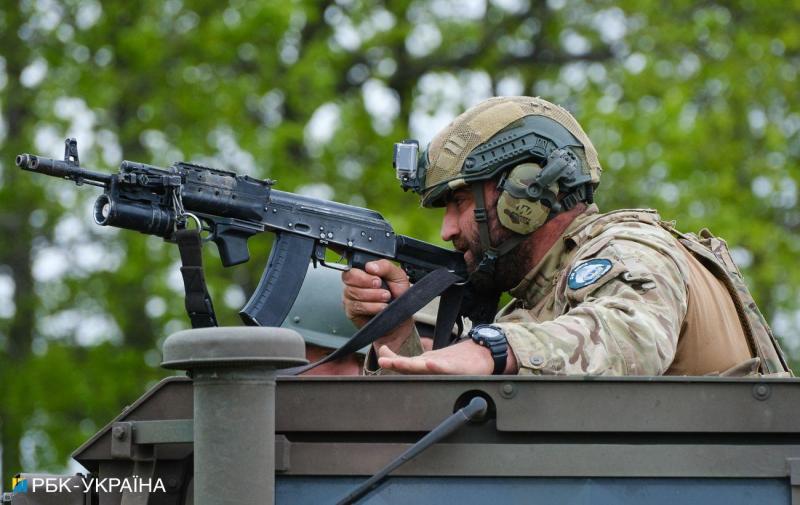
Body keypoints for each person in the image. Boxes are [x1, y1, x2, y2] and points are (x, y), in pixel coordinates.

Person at [342, 96, 792, 377]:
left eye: (459, 203)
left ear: (528, 191)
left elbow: (631, 336)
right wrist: (396, 332)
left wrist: (491, 351)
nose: (447, 230)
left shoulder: (630, 248)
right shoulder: (538, 306)